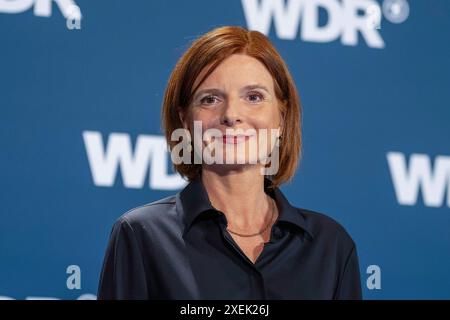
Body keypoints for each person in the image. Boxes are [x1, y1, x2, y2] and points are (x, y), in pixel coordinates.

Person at [97, 25, 362, 300]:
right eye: (210, 99)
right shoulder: (142, 236)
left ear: (282, 118)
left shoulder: (330, 246)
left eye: (254, 97)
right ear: (185, 122)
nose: (231, 114)